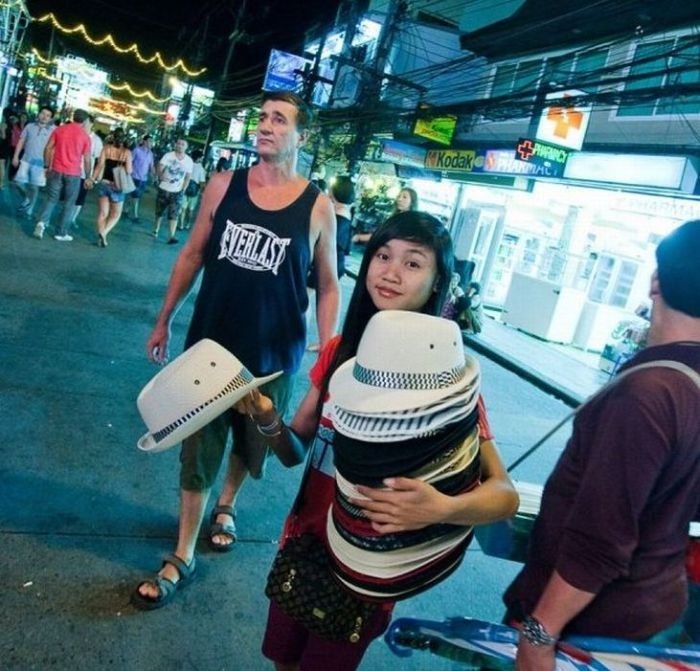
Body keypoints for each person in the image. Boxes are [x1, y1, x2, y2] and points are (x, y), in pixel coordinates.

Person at [236, 211, 518, 671]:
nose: (390, 272)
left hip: (370, 567)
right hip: (304, 545)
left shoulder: (448, 383)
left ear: (437, 281)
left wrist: (442, 508)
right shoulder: (339, 353)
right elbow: (294, 452)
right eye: (383, 255)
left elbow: (503, 496)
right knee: (281, 663)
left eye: (413, 263)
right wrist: (265, 416)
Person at [131, 90, 340, 610]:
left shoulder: (317, 206)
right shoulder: (223, 186)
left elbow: (330, 283)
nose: (265, 126)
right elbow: (194, 252)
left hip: (273, 357)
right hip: (210, 348)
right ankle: (183, 552)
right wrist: (165, 318)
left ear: (301, 136)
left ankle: (228, 503)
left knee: (252, 446)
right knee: (196, 445)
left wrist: (327, 346)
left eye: (278, 120)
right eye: (262, 118)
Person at [503, 219, 700, 670]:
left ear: (655, 281)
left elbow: (600, 540)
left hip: (591, 632)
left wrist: (538, 634)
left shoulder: (647, 395)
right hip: (655, 613)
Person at [306, 175, 355, 352]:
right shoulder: (344, 212)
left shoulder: (337, 215)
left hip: (330, 263)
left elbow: (332, 243)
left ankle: (325, 342)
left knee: (308, 297)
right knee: (310, 297)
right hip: (334, 262)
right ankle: (324, 341)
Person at [33, 109, 92, 242]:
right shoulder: (85, 137)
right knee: (69, 203)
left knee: (51, 198)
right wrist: (88, 176)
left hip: (56, 170)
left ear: (73, 117)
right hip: (74, 173)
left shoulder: (60, 130)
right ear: (84, 121)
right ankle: (60, 232)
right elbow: (87, 159)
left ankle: (41, 223)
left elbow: (48, 148)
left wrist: (47, 166)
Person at [89, 128, 133, 248]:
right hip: (117, 186)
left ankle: (101, 234)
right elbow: (129, 171)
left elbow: (99, 165)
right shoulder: (127, 153)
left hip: (104, 183)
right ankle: (103, 233)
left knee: (103, 213)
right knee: (115, 214)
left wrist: (92, 178)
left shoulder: (106, 148)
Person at [12, 105, 55, 218]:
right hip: (26, 160)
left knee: (34, 186)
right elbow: (21, 142)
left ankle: (29, 210)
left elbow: (54, 149)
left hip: (40, 163)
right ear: (38, 114)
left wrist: (50, 165)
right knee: (18, 183)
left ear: (50, 118)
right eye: (43, 113)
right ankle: (27, 198)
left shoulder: (54, 130)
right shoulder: (30, 126)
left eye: (48, 115)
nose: (44, 117)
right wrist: (15, 156)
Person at [153, 138, 193, 244]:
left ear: (186, 147)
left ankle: (172, 236)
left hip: (177, 191)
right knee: (159, 212)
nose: (180, 145)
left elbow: (188, 177)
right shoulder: (168, 156)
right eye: (178, 143)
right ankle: (156, 229)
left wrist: (183, 189)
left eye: (183, 144)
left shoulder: (189, 161)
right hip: (164, 189)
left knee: (174, 214)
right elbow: (159, 168)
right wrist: (160, 176)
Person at [352, 186, 418, 244]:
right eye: (398, 196)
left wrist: (360, 237)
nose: (399, 199)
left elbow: (385, 236)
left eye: (404, 197)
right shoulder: (397, 217)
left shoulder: (409, 222)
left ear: (412, 202)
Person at [127, 134, 155, 223]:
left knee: (135, 195)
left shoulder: (150, 154)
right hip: (134, 177)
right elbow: (129, 162)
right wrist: (129, 173)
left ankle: (126, 209)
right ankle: (135, 215)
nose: (151, 143)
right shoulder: (136, 150)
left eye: (152, 141)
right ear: (144, 141)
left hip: (144, 179)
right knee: (136, 196)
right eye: (150, 141)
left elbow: (151, 166)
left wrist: (154, 176)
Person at [177, 149, 206, 231]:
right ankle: (188, 224)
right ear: (198, 158)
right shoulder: (201, 169)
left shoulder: (187, 165)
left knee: (183, 208)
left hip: (184, 188)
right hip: (194, 192)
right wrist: (202, 192)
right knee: (191, 209)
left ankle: (181, 224)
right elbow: (202, 183)